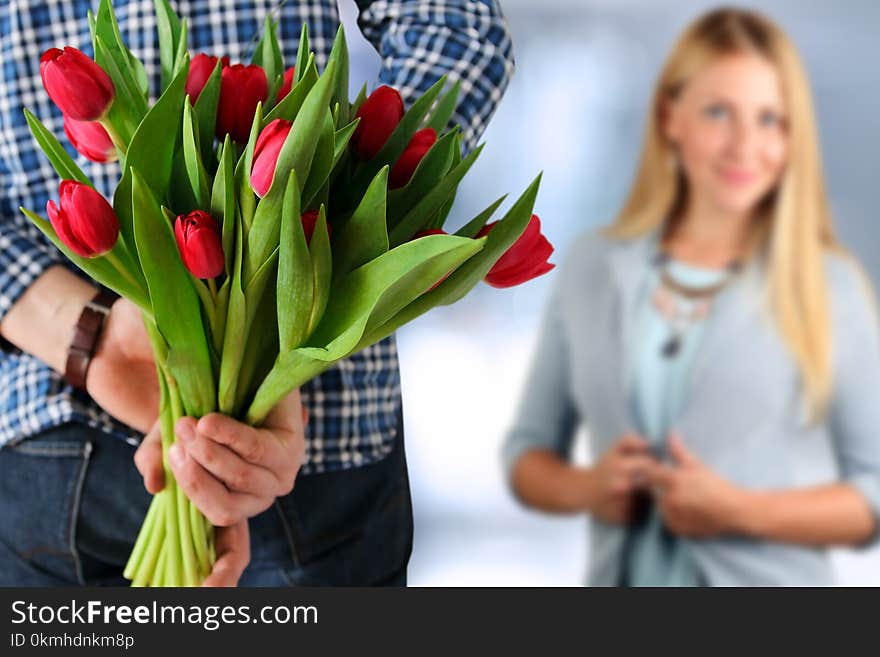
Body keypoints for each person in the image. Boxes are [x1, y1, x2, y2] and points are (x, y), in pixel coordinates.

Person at [0, 0, 513, 586]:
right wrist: (91, 337)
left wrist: (354, 186)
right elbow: (460, 23)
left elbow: (456, 25)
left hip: (314, 436)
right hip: (54, 438)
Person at [502, 7, 880, 586]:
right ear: (670, 117)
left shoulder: (829, 284)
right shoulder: (592, 268)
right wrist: (589, 486)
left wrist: (738, 510)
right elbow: (527, 457)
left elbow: (873, 496)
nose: (744, 145)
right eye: (719, 112)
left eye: (771, 120)